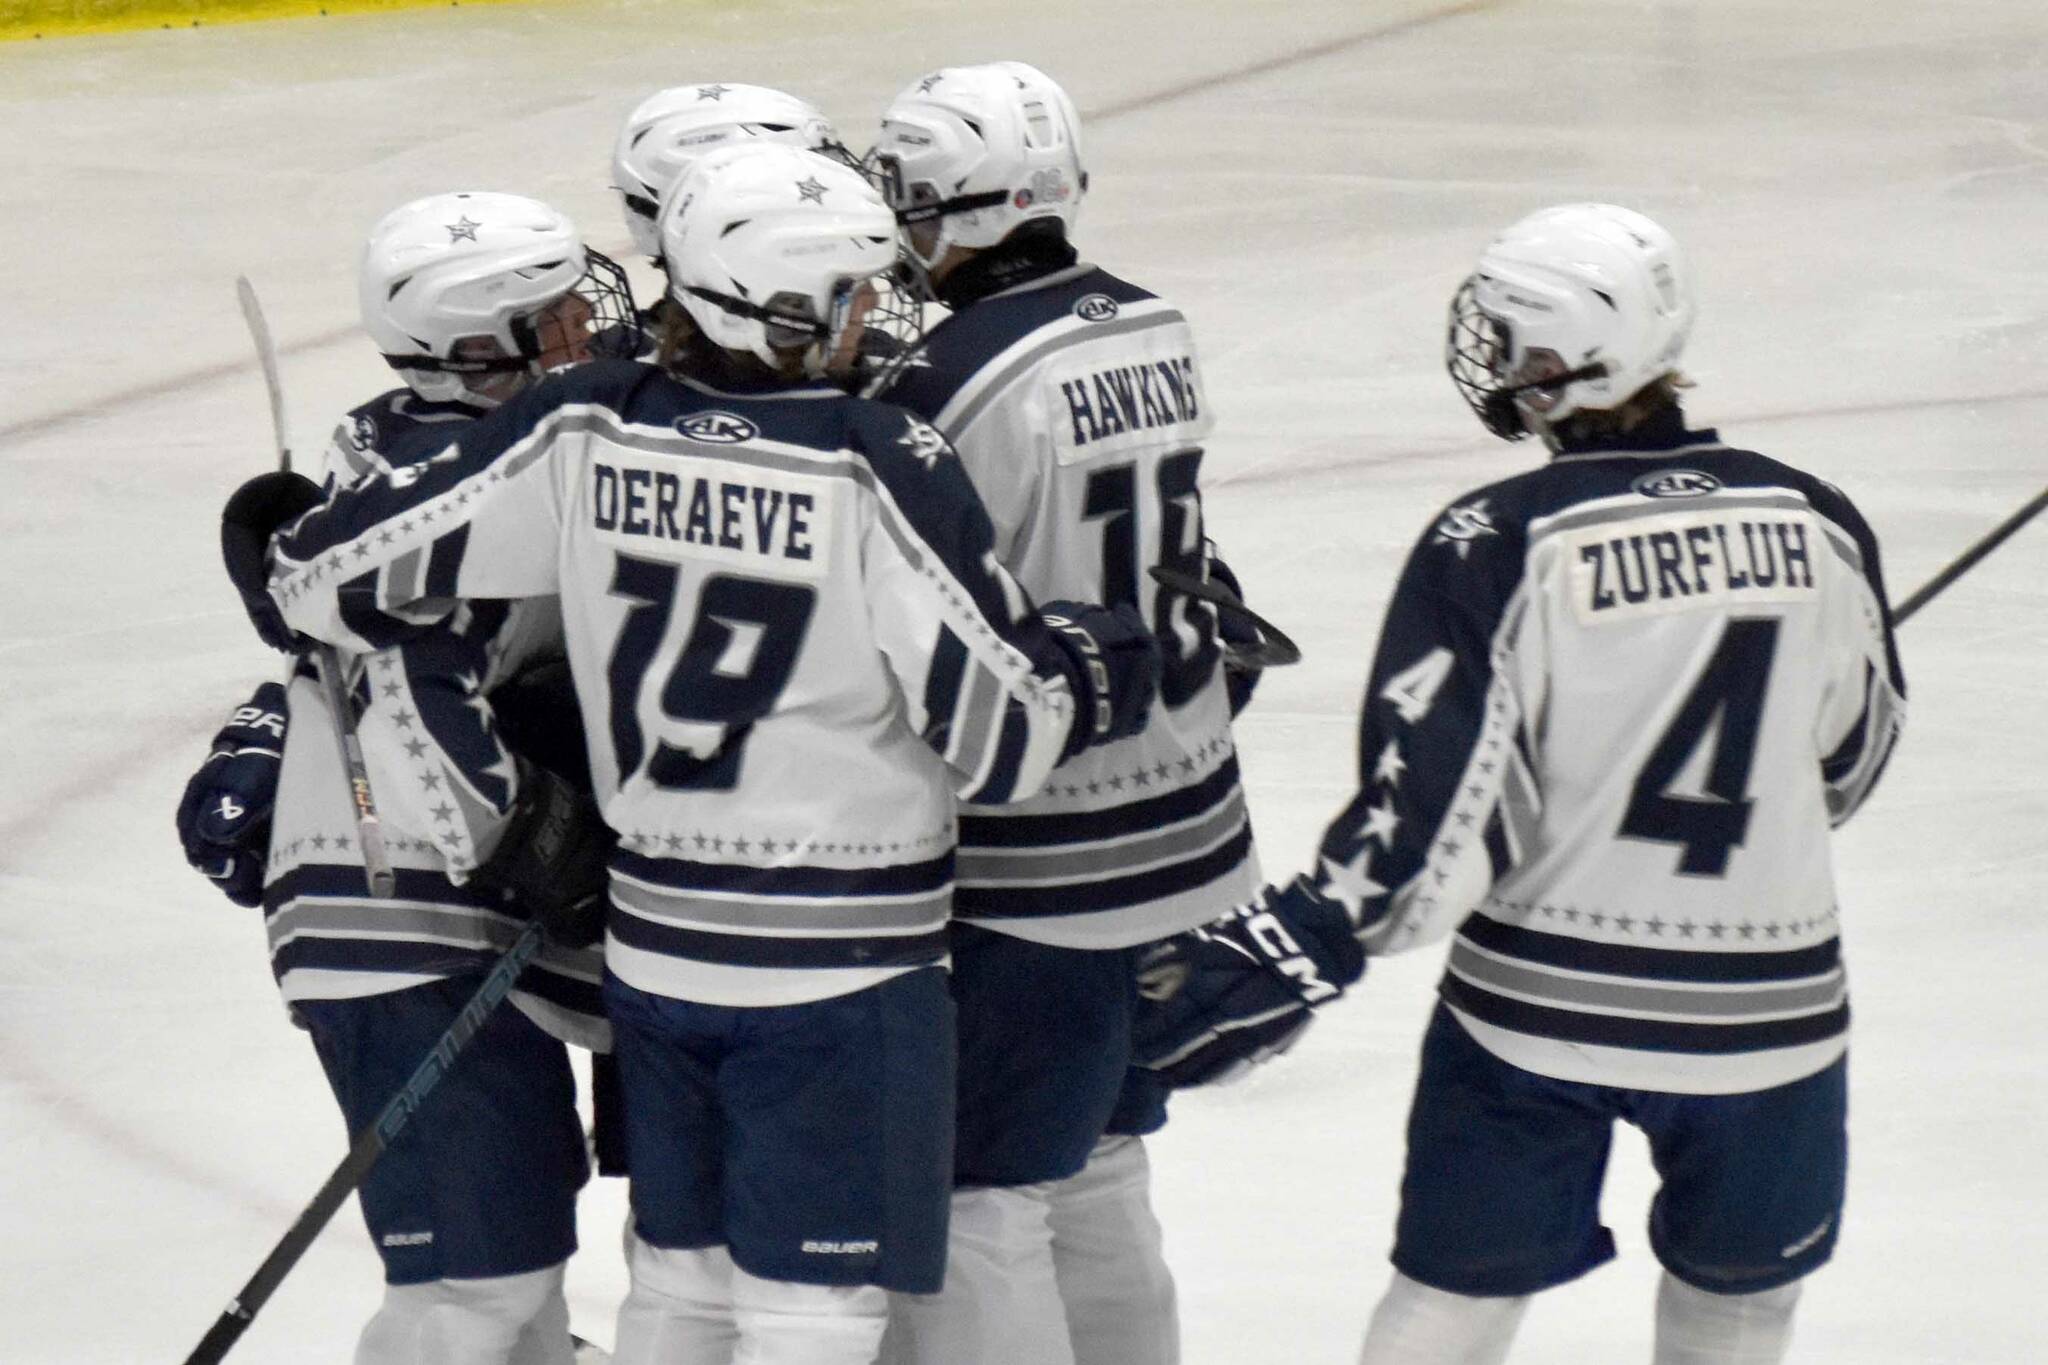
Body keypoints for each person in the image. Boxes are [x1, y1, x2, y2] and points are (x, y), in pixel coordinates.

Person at [220, 142, 1161, 1365]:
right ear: (783, 309)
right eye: (855, 290)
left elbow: (326, 579)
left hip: (659, 952)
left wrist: (278, 557)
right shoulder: (872, 457)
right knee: (808, 1313)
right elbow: (1000, 734)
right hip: (838, 964)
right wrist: (1094, 663)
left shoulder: (580, 427)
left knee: (679, 1286)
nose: (882, 313)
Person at [1134, 203, 1906, 1365]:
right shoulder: (1816, 517)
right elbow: (1849, 762)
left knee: (1453, 1301)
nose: (1486, 357)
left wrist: (1305, 938)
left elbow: (1425, 828)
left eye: (1502, 337)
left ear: (1556, 362)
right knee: (1739, 1310)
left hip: (1536, 1013)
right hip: (1769, 1013)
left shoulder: (1496, 539)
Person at [179, 190, 642, 1364]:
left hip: (425, 910)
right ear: (482, 348)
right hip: (398, 909)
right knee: (476, 1287)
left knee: (517, 1276)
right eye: (557, 312)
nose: (593, 319)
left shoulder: (429, 446)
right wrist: (527, 835)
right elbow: (407, 693)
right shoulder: (465, 489)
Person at [865, 62, 1263, 1365]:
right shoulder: (1156, 321)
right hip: (1188, 812)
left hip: (1046, 848)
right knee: (1097, 1158)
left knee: (978, 1192)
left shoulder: (940, 383)